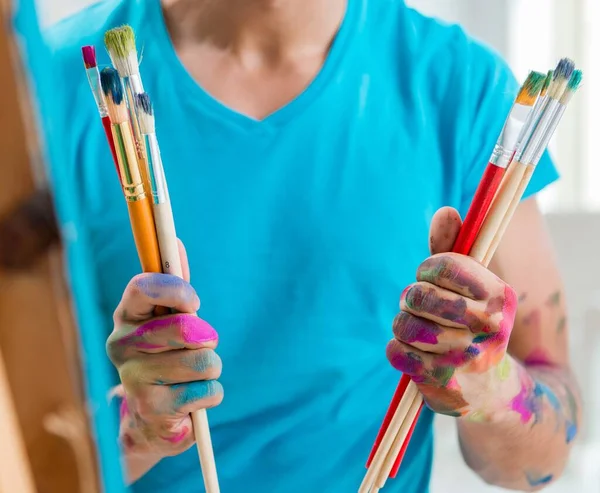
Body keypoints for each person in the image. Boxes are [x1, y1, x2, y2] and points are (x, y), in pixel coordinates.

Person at [46, 0, 580, 491]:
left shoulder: (460, 86)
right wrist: (137, 432)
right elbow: (24, 458)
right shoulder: (45, 89)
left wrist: (490, 389)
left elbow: (546, 455)